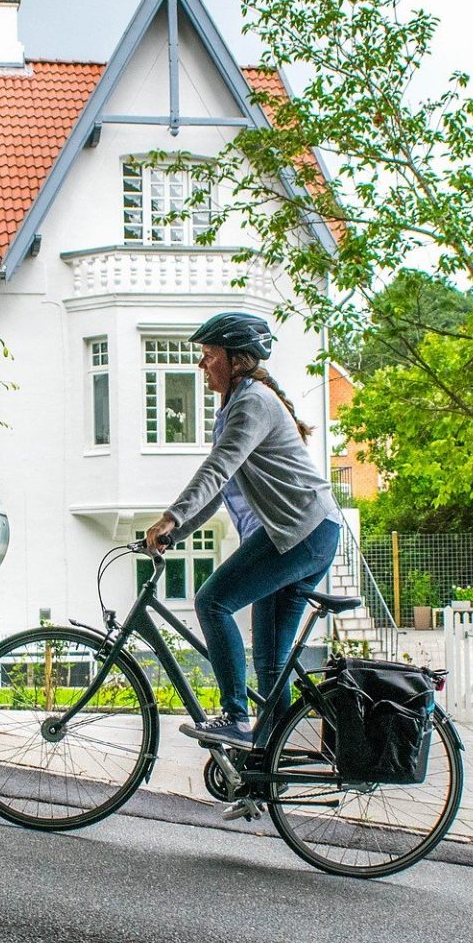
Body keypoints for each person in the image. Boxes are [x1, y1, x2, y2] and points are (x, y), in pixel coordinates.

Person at [143, 312, 341, 751]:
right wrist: (176, 531)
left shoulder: (253, 402)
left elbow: (217, 470)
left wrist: (171, 517)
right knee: (269, 662)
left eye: (209, 356)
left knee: (212, 601)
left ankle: (235, 715)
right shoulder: (239, 405)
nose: (201, 365)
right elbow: (220, 488)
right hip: (300, 534)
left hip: (301, 533)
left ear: (236, 361)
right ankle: (271, 764)